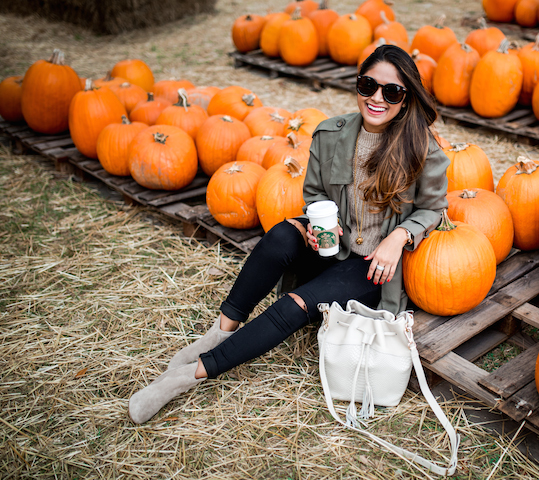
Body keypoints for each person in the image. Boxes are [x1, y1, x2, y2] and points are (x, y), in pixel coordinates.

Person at [128, 45, 450, 424]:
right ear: (358, 86)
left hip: (372, 266)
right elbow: (314, 194)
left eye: (391, 91)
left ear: (406, 97)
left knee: (295, 304)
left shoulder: (422, 150)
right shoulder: (332, 135)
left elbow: (433, 208)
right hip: (336, 246)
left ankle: (187, 376)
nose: (377, 99)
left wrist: (400, 237)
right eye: (368, 86)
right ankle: (219, 332)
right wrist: (316, 229)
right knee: (281, 235)